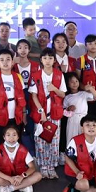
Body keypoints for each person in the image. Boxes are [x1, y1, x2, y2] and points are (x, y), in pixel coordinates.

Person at [29, 48, 67, 179]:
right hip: (41, 114)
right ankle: (43, 167)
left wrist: (54, 89)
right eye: (45, 58)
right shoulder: (36, 75)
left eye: (50, 58)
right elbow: (33, 96)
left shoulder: (59, 75)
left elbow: (63, 94)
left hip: (55, 113)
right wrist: (41, 112)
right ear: (41, 60)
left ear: (54, 60)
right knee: (40, 141)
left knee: (54, 141)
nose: (47, 60)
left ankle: (52, 166)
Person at [0, 125, 42, 192]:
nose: (11, 138)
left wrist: (22, 177)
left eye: (14, 135)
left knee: (38, 175)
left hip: (20, 178)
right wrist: (10, 179)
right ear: (4, 137)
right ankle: (22, 186)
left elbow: (32, 167)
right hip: (5, 178)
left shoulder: (23, 149)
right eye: (8, 135)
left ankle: (10, 189)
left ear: (18, 137)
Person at [0, 49, 27, 147]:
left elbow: (22, 98)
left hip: (16, 116)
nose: (5, 62)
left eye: (8, 59)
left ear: (12, 62)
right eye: (2, 60)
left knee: (16, 141)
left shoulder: (18, 77)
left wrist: (24, 115)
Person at [63, 72, 95, 142]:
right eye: (72, 82)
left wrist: (91, 89)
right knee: (72, 138)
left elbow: (95, 97)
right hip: (72, 120)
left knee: (84, 138)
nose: (75, 83)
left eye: (76, 81)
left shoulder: (83, 94)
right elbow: (64, 110)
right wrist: (69, 108)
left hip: (84, 119)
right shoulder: (67, 97)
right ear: (68, 84)